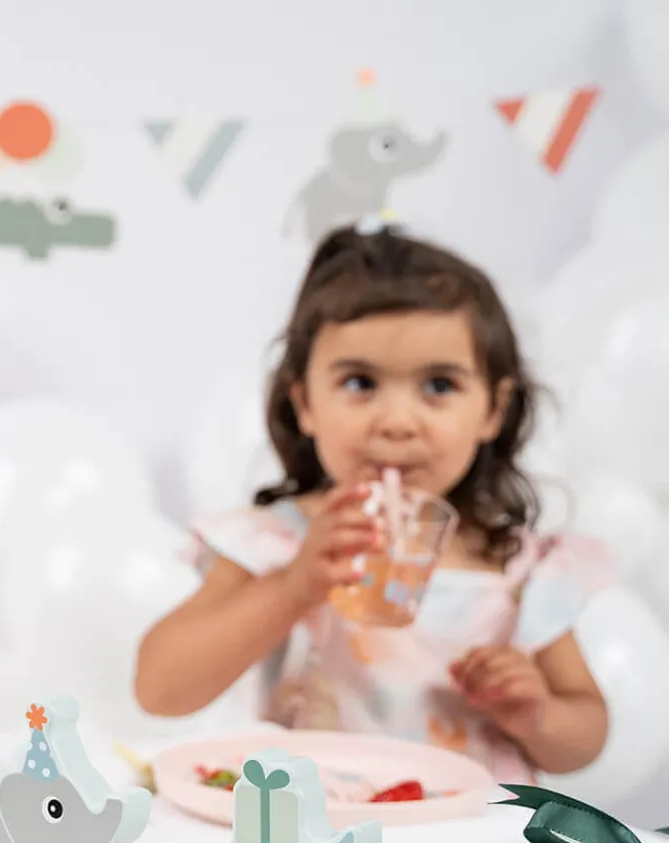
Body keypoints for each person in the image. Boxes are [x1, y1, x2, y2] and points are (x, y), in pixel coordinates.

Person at [136, 224, 611, 782]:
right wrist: (293, 586)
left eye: (439, 386)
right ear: (304, 403)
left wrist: (538, 716)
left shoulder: (515, 566)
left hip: (469, 830)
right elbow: (159, 689)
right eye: (360, 383)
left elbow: (586, 736)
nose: (397, 422)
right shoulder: (277, 545)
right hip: (313, 829)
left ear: (493, 411)